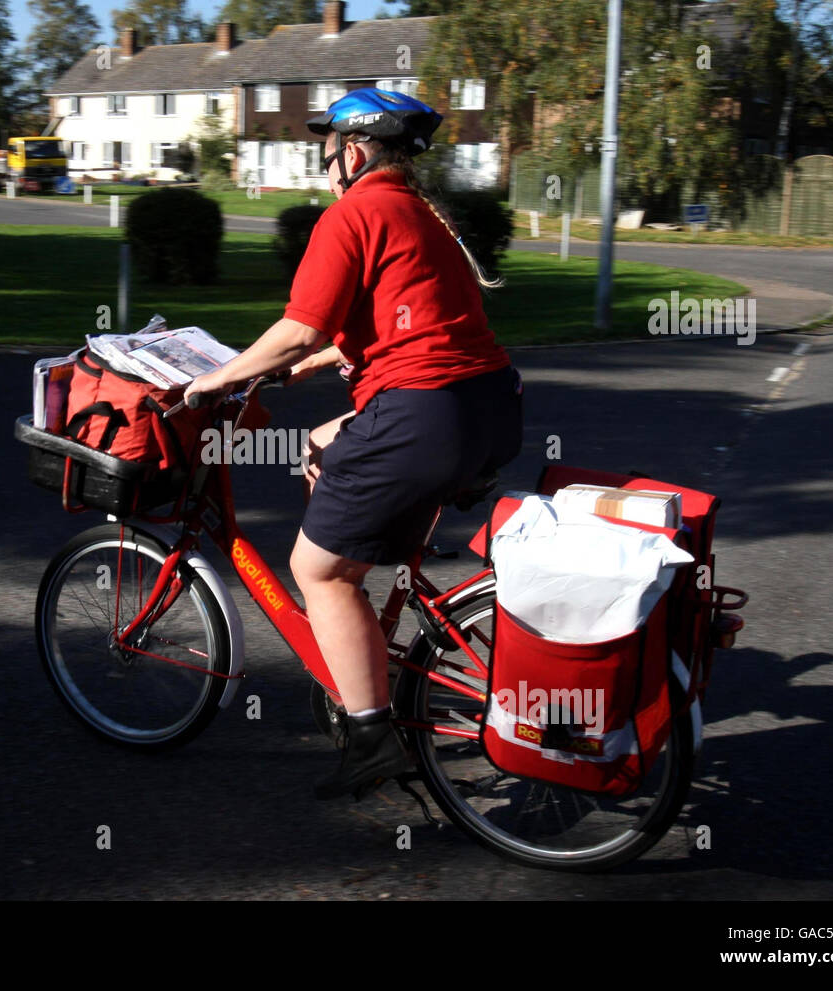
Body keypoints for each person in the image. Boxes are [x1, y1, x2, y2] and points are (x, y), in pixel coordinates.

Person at [183, 88, 522, 800]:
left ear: (355, 152)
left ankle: (371, 736)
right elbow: (402, 320)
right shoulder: (420, 214)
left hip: (424, 415)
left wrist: (219, 377)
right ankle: (372, 643)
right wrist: (306, 367)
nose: (326, 165)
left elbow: (299, 327)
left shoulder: (354, 212)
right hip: (487, 406)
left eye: (328, 151)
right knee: (323, 442)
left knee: (319, 570)